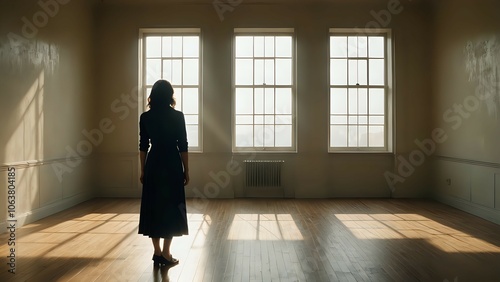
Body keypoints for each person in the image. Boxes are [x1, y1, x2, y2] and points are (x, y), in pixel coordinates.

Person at [138, 79, 190, 267]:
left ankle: (157, 252)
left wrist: (143, 169)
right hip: (171, 164)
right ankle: (167, 253)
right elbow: (182, 145)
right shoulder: (178, 116)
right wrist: (186, 170)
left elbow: (143, 146)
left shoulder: (145, 117)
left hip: (154, 163)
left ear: (153, 96)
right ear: (170, 95)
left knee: (154, 207)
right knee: (170, 207)